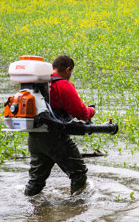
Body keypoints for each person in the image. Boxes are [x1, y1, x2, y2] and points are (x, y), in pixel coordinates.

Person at [24, 55, 96, 196]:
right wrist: (91, 111)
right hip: (55, 138)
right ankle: (77, 210)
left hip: (35, 136)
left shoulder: (37, 84)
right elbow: (80, 112)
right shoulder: (63, 85)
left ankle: (30, 210)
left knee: (36, 181)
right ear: (68, 70)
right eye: (71, 72)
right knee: (78, 173)